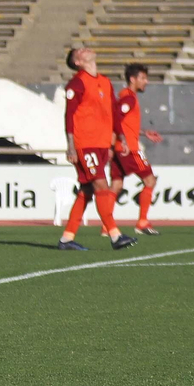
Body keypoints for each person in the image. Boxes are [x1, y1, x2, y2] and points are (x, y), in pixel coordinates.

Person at [57, 48, 136, 251]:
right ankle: (115, 235)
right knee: (101, 185)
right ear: (78, 62)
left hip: (101, 143)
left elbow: (113, 113)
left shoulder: (105, 82)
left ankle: (66, 238)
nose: (84, 49)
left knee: (87, 190)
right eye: (79, 51)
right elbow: (69, 115)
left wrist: (120, 137)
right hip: (85, 143)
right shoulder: (77, 83)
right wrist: (71, 145)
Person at [112, 63, 163, 237]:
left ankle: (107, 226)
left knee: (116, 185)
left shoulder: (126, 96)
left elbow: (124, 123)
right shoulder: (129, 98)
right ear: (133, 79)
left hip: (119, 147)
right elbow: (116, 119)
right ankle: (142, 222)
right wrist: (125, 140)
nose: (146, 81)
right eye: (143, 78)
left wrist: (143, 132)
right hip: (130, 149)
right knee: (150, 181)